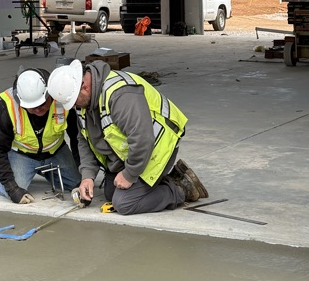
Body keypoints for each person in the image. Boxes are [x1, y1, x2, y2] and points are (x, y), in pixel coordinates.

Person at [47, 59, 208, 216]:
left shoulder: (120, 95)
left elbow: (143, 139)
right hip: (136, 151)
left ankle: (181, 189)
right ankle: (166, 180)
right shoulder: (84, 100)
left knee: (124, 203)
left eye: (74, 102)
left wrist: (130, 174)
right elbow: (84, 139)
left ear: (85, 86)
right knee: (111, 192)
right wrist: (87, 176)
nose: (74, 107)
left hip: (158, 147)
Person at [0, 68, 80, 204]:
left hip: (55, 152)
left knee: (76, 183)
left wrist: (80, 169)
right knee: (15, 189)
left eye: (41, 104)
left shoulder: (61, 97)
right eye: (33, 107)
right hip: (23, 155)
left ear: (50, 94)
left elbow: (77, 137)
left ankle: (43, 170)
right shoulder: (9, 107)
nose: (38, 109)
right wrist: (12, 189)